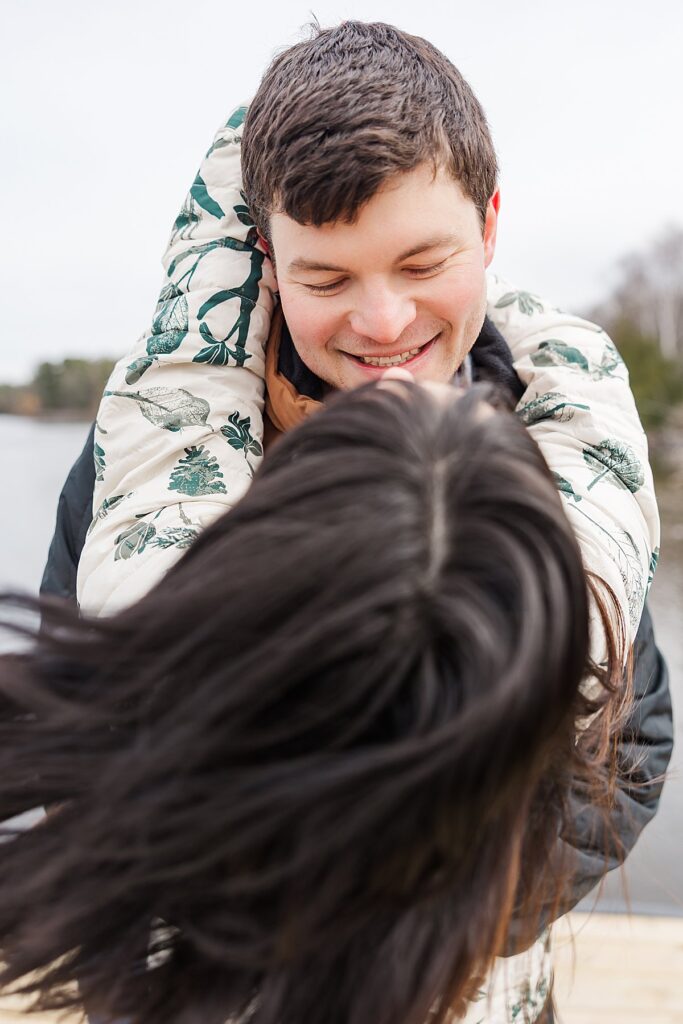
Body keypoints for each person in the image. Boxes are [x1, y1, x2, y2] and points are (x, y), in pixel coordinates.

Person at [39, 21, 671, 1023]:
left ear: (490, 228)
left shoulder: (536, 441)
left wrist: (446, 902)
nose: (381, 325)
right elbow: (73, 730)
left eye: (423, 261)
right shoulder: (143, 454)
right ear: (267, 261)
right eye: (326, 279)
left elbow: (632, 745)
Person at [3, 381, 624, 1024]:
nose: (391, 338)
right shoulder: (578, 630)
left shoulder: (175, 655)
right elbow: (605, 441)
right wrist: (497, 904)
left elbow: (161, 433)